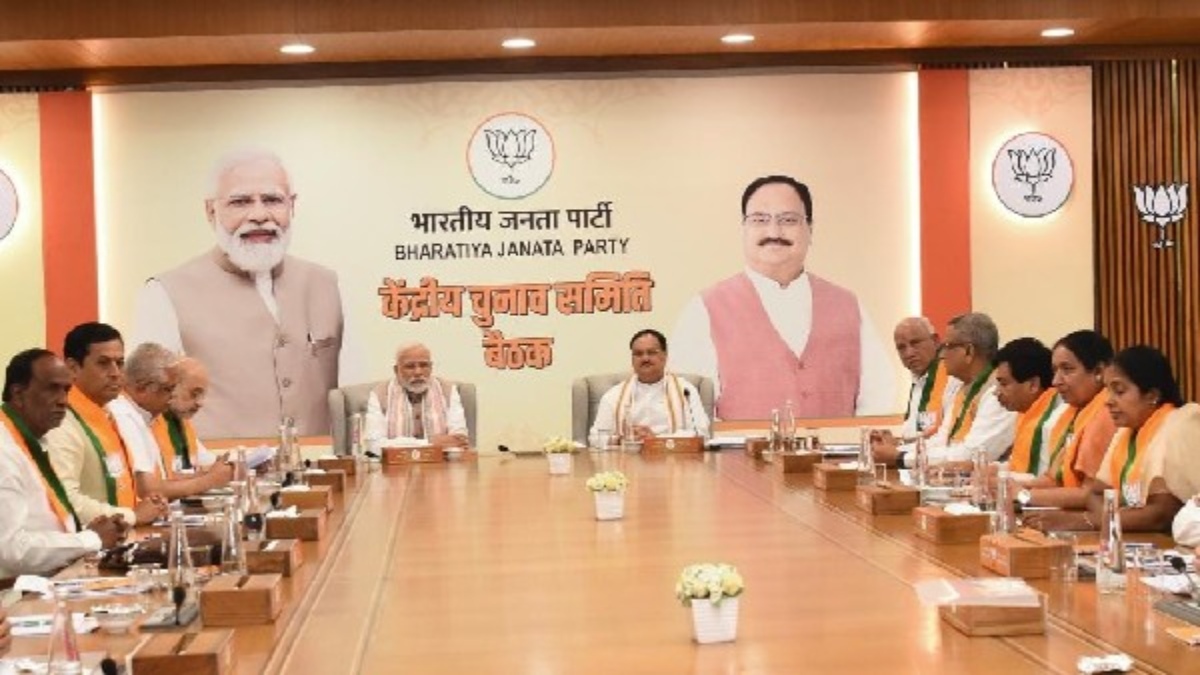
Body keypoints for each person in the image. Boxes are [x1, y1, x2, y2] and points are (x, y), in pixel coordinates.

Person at [131, 148, 344, 438]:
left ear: (292, 205)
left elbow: (352, 395)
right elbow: (145, 405)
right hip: (215, 463)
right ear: (211, 211)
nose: (259, 215)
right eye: (240, 202)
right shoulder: (164, 292)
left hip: (317, 462)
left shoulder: (328, 284)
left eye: (272, 200)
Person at [669, 175, 894, 420]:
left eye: (788, 220)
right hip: (738, 447)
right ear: (744, 229)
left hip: (838, 446)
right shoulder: (704, 309)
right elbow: (690, 412)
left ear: (810, 229)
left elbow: (878, 398)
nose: (774, 232)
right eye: (760, 220)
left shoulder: (848, 305)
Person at [1, 349, 126, 580]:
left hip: (53, 578)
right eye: (52, 389)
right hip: (16, 593)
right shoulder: (4, 452)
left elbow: (42, 522)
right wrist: (90, 539)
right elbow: (12, 550)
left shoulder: (35, 440)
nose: (63, 401)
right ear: (18, 394)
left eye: (66, 390)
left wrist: (92, 530)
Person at [44, 323, 166, 526]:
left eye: (120, 363)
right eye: (103, 363)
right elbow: (64, 500)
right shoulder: (61, 422)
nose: (115, 373)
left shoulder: (111, 413)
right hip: (86, 542)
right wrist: (132, 515)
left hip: (123, 535)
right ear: (73, 368)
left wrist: (147, 505)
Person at [1081, 345, 1200, 534]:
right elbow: (1095, 494)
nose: (1108, 401)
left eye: (1119, 391)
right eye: (1107, 391)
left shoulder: (1180, 423)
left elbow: (1162, 514)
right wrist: (1113, 520)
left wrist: (1090, 521)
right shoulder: (1126, 431)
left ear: (1152, 396)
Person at [873, 312, 1016, 467]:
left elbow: (971, 455)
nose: (941, 354)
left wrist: (900, 457)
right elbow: (941, 441)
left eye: (948, 347)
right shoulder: (962, 387)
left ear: (969, 351)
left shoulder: (999, 393)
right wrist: (895, 451)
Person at [108, 344, 233, 500]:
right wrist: (208, 481)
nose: (173, 395)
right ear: (142, 388)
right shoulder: (123, 415)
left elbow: (161, 480)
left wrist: (200, 477)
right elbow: (148, 490)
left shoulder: (145, 416)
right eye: (168, 389)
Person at [1017, 331, 1118, 521]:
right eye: (1055, 370)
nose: (1056, 381)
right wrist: (1007, 487)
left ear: (1099, 371)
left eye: (1067, 369)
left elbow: (1090, 494)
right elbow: (1054, 479)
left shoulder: (1108, 413)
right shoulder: (1073, 412)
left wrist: (1023, 496)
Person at [590, 329, 711, 443]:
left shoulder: (685, 391)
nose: (645, 358)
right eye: (638, 354)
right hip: (628, 456)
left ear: (664, 356)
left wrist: (656, 440)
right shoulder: (614, 395)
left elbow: (702, 434)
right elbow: (595, 438)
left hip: (671, 456)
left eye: (651, 353)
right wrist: (622, 439)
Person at [364, 343, 469, 450]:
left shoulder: (448, 390)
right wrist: (429, 443)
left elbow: (460, 440)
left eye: (424, 365)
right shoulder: (380, 393)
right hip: (398, 461)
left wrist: (400, 444)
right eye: (410, 366)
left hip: (440, 460)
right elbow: (373, 446)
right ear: (396, 370)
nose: (418, 372)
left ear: (431, 367)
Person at [992, 337, 1067, 478]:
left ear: (1033, 385)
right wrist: (992, 470)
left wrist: (1000, 478)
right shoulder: (1026, 412)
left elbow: (1042, 479)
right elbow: (1019, 466)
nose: (997, 392)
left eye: (1004, 384)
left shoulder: (1056, 418)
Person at [893, 317, 960, 440]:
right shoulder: (918, 380)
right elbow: (912, 432)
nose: (909, 353)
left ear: (935, 341)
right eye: (901, 348)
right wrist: (894, 442)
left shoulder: (954, 376)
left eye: (915, 343)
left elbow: (946, 437)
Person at [150, 356, 219, 474]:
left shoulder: (181, 421)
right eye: (194, 394)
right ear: (171, 387)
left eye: (202, 395)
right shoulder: (148, 422)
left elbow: (208, 462)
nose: (200, 403)